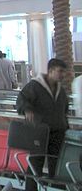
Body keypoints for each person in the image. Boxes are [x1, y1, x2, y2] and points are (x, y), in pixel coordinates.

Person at [16, 58, 69, 191]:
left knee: (56, 164)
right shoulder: (35, 86)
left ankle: (54, 188)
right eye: (60, 71)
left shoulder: (60, 90)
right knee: (35, 163)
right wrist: (27, 110)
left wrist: (65, 124)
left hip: (58, 131)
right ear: (51, 71)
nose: (62, 74)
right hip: (40, 131)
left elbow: (64, 109)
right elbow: (21, 99)